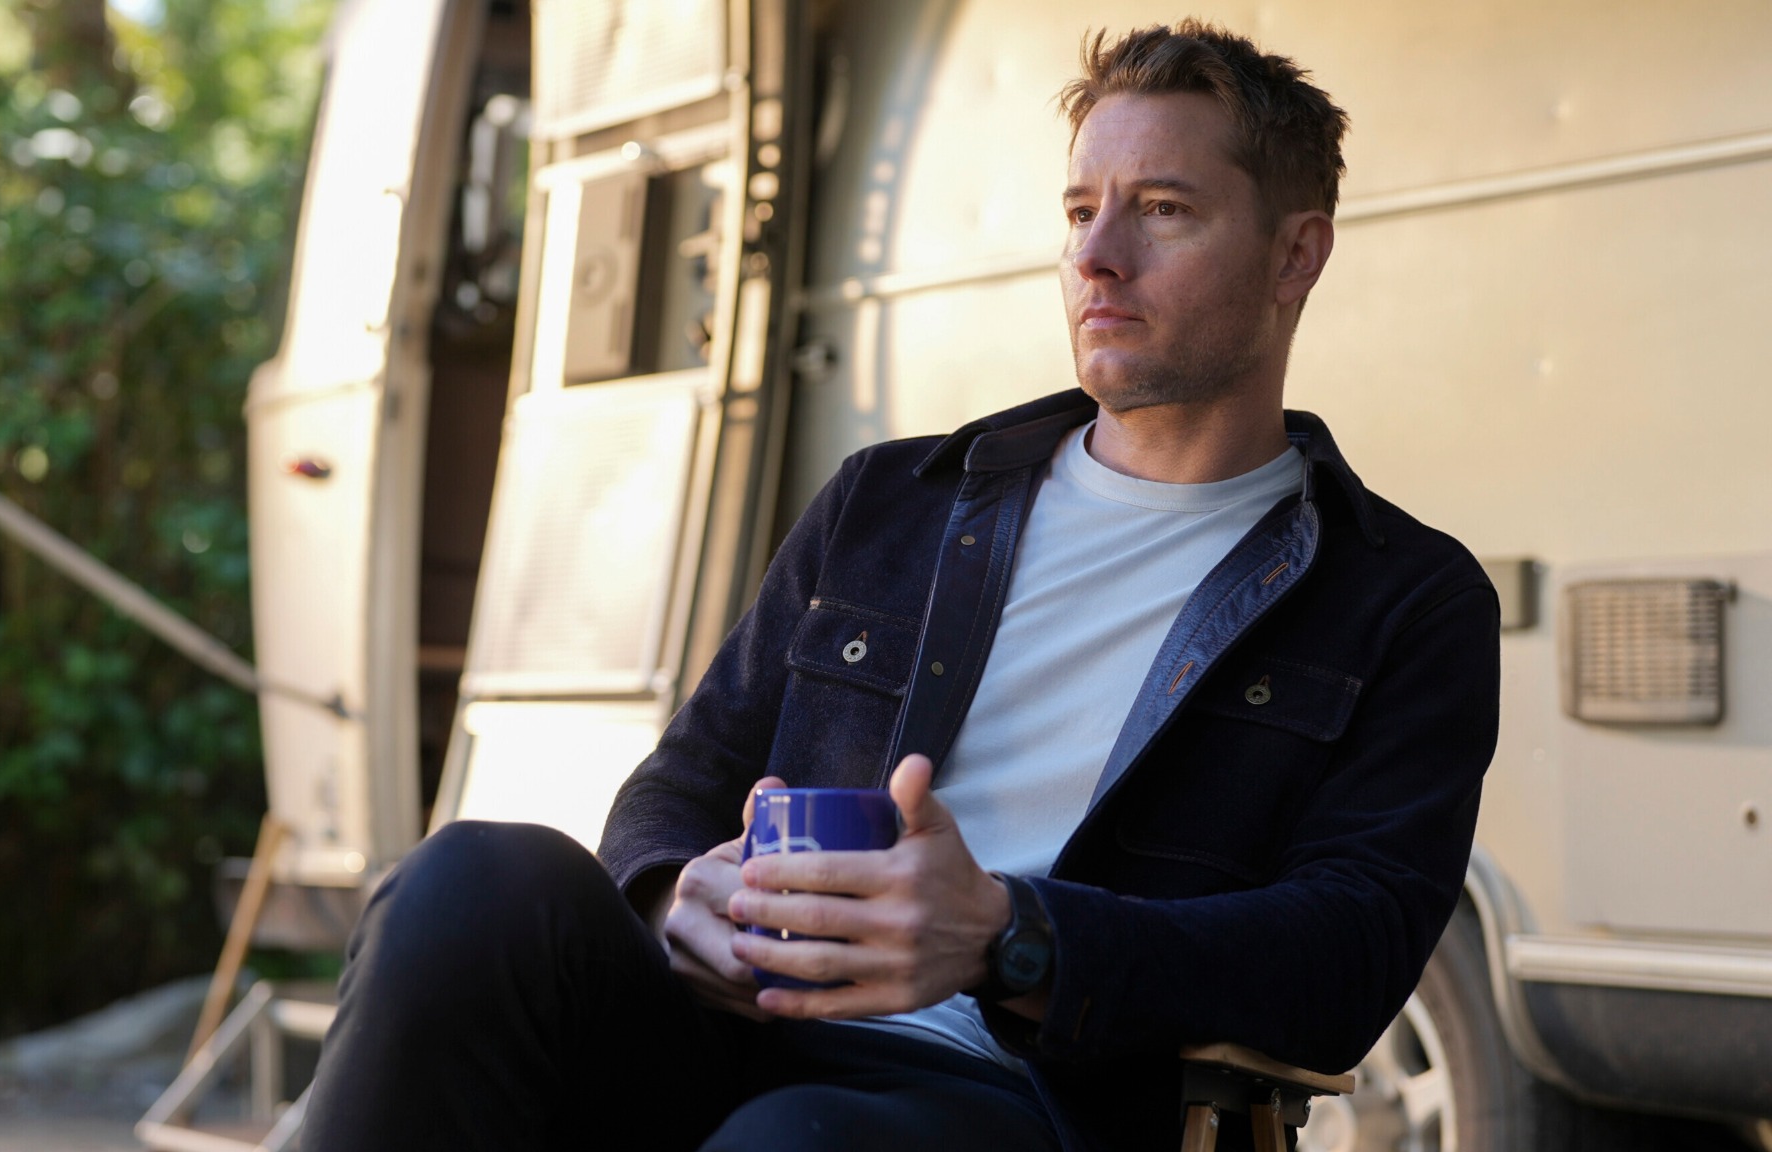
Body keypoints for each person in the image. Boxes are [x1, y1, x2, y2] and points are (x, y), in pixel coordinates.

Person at [304, 20, 1499, 1152]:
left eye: (1162, 211)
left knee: (797, 1141)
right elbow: (681, 782)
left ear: (1294, 254)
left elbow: (1343, 954)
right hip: (737, 1028)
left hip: (1020, 1096)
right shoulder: (893, 501)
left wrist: (1007, 937)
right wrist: (678, 892)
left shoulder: (1401, 600)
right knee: (467, 880)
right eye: (1080, 209)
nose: (1095, 255)